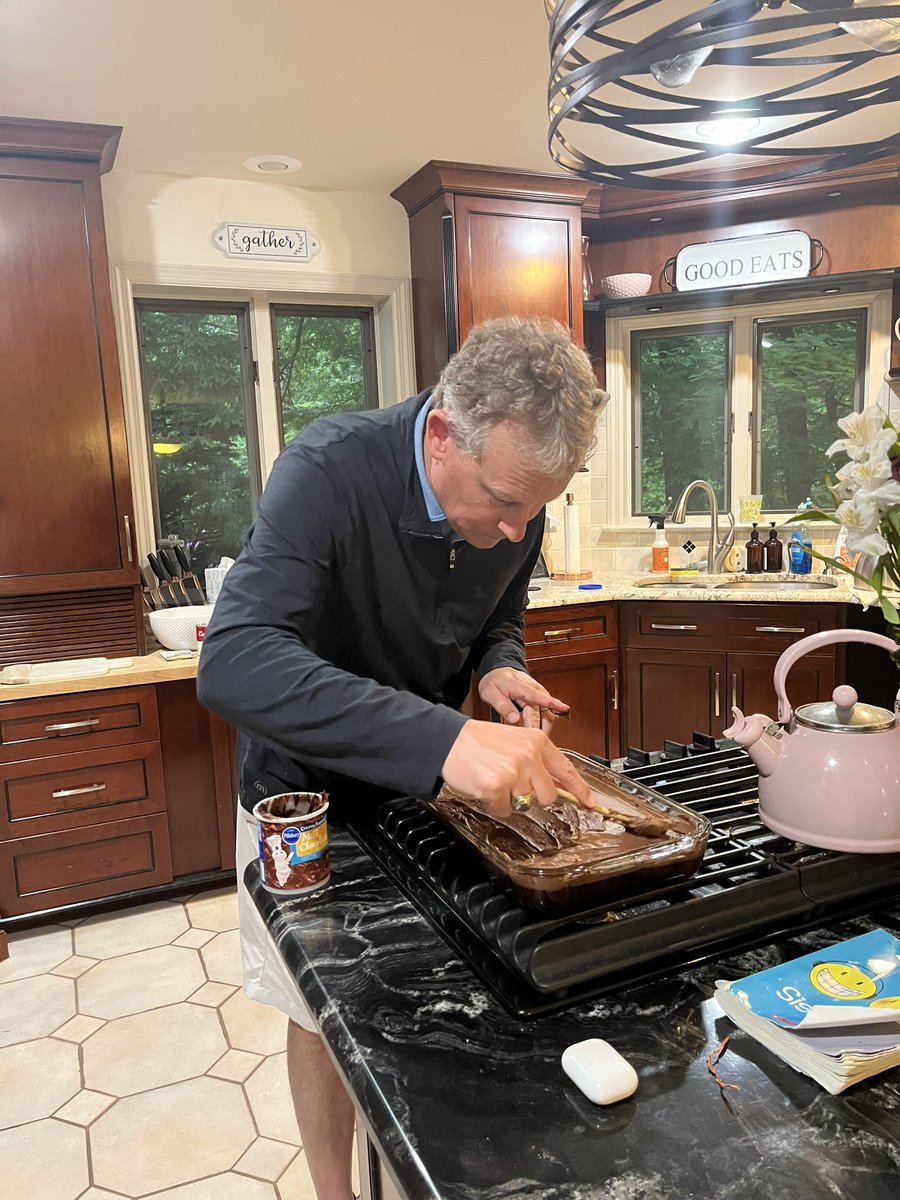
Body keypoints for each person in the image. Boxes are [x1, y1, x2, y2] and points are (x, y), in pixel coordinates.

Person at [197, 315, 608, 1200]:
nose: (515, 529)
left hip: (420, 793)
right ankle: (333, 1193)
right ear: (440, 434)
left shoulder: (515, 499)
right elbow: (235, 660)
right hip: (302, 803)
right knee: (322, 1010)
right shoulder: (326, 470)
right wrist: (448, 737)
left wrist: (501, 669)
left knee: (423, 991)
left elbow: (496, 610)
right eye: (502, 501)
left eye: (538, 506)